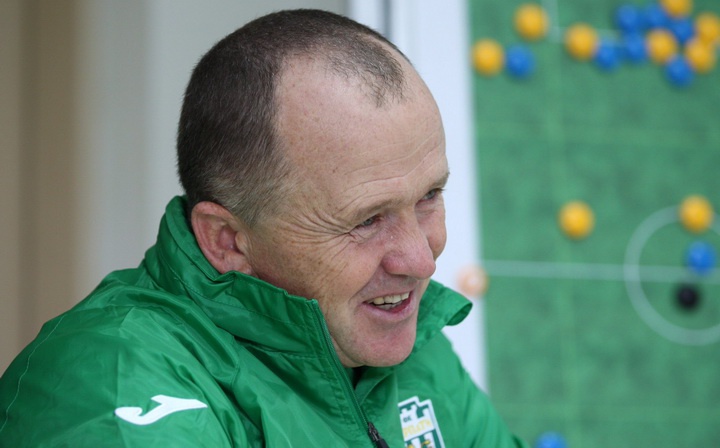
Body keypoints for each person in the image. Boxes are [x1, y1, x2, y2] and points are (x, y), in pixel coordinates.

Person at [0, 9, 526, 447]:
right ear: (228, 241)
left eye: (430, 196)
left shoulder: (410, 345)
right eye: (366, 221)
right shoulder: (112, 385)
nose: (421, 261)